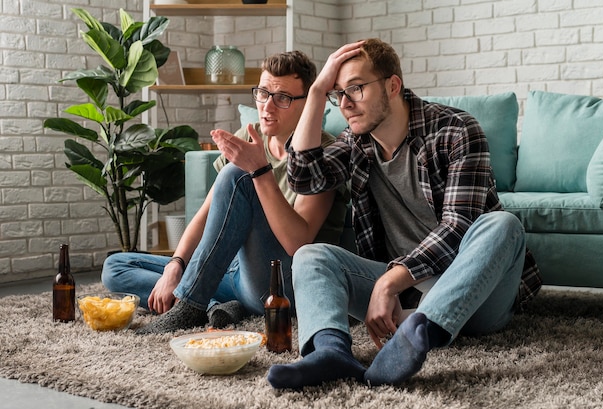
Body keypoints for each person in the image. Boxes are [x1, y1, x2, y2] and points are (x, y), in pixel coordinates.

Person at [267, 39, 542, 389]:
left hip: (473, 293)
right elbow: (304, 178)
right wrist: (318, 91)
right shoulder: (356, 143)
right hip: (405, 298)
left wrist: (389, 281)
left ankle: (415, 335)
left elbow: (459, 227)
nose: (346, 104)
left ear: (392, 86)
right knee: (311, 256)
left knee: (503, 225)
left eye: (355, 88)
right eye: (339, 94)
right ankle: (330, 352)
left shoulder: (456, 131)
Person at [101, 50, 348, 334]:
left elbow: (298, 242)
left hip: (283, 283)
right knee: (116, 266)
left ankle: (191, 305)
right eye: (262, 93)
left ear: (306, 104)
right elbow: (207, 215)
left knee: (236, 173)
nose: (267, 106)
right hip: (234, 273)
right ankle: (217, 306)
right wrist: (175, 265)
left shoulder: (324, 154)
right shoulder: (251, 134)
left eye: (282, 98)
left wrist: (258, 170)